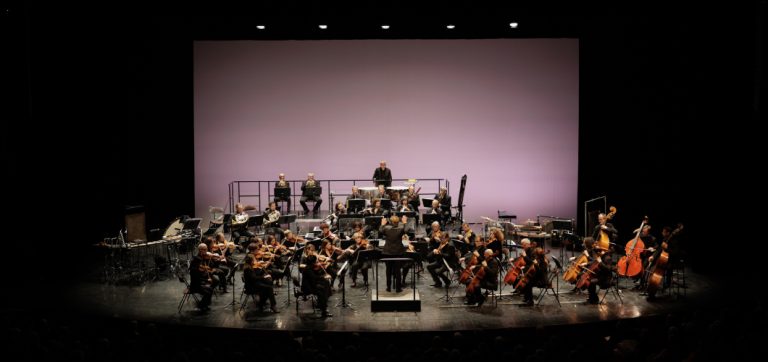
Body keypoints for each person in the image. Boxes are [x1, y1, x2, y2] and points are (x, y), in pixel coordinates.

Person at [379, 215, 413, 292]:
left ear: (390, 222)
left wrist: (382, 224)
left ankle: (388, 287)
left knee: (388, 270)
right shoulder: (400, 229)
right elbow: (406, 230)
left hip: (388, 252)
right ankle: (398, 288)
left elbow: (380, 231)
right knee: (398, 271)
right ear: (398, 222)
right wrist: (405, 222)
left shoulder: (386, 228)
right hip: (398, 252)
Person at [188, 243, 215, 311]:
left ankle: (205, 305)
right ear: (200, 250)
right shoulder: (196, 262)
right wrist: (206, 280)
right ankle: (200, 306)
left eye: (206, 249)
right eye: (205, 250)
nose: (206, 251)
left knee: (210, 289)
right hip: (195, 285)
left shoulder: (199, 259)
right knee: (208, 292)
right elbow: (197, 277)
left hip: (199, 283)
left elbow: (207, 268)